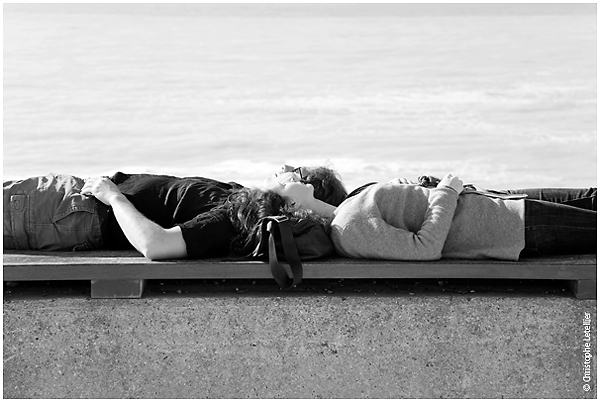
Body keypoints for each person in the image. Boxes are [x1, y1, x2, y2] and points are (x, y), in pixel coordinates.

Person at [3, 165, 347, 260]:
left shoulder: (232, 217)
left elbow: (157, 245)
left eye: (296, 170)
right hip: (66, 200)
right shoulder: (244, 204)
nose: (285, 165)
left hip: (69, 210)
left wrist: (114, 197)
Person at [270, 171, 596, 261]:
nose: (285, 177)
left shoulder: (350, 205)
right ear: (293, 208)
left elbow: (412, 206)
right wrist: (446, 193)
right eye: (280, 186)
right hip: (514, 226)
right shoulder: (349, 230)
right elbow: (426, 247)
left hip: (498, 203)